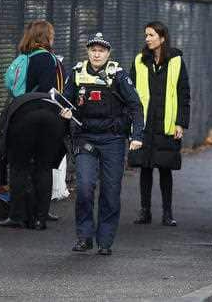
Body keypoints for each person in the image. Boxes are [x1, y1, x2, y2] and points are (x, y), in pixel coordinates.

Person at [59, 32, 144, 256]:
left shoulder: (118, 75)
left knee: (110, 190)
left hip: (113, 139)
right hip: (85, 137)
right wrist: (65, 112)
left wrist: (137, 136)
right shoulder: (77, 73)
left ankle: (105, 241)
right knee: (85, 187)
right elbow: (64, 101)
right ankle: (84, 237)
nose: (97, 54)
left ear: (108, 53)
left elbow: (136, 105)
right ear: (88, 51)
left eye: (101, 50)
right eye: (93, 50)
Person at [0, 20, 67, 230]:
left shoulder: (25, 58)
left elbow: (13, 86)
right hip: (51, 115)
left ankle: (17, 215)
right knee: (44, 167)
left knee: (19, 166)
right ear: (47, 37)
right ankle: (40, 218)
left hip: (24, 111)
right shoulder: (54, 60)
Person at [129, 21, 191, 227]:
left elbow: (184, 94)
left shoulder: (176, 61)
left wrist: (180, 123)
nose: (147, 38)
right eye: (146, 35)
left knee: (165, 168)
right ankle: (144, 211)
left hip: (167, 125)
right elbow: (130, 93)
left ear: (162, 38)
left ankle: (167, 213)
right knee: (145, 168)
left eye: (151, 35)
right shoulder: (139, 61)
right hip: (145, 125)